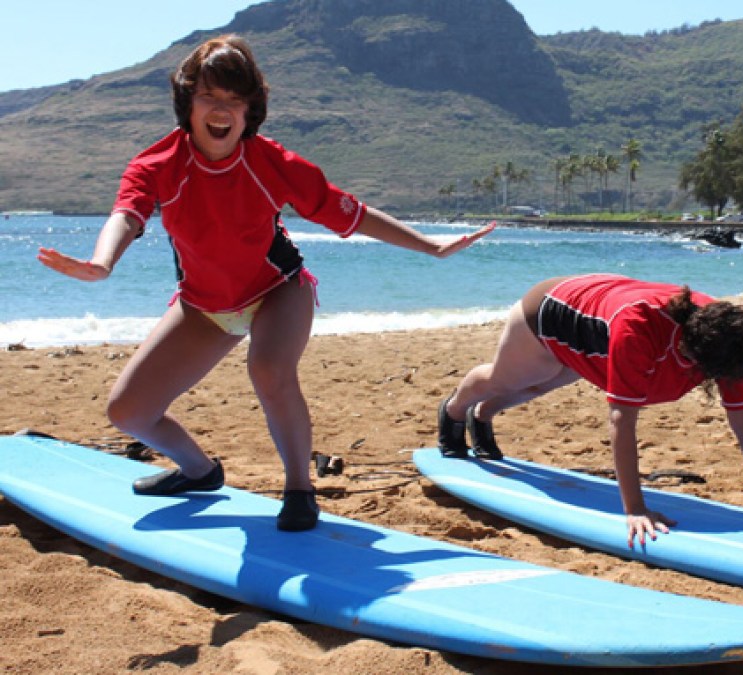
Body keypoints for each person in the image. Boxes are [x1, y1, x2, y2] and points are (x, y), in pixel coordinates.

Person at [36, 35, 493, 532]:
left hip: (278, 288)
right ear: (188, 103)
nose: (221, 110)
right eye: (210, 96)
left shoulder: (270, 162)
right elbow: (128, 213)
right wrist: (103, 263)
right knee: (128, 412)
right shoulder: (158, 165)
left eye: (235, 100)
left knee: (270, 371)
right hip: (204, 305)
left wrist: (431, 246)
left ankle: (299, 488)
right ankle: (199, 471)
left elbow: (351, 213)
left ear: (250, 110)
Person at [438, 273, 743, 547]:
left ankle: (482, 416)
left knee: (543, 383)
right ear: (696, 357)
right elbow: (621, 422)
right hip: (551, 311)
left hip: (598, 316)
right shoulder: (639, 331)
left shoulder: (730, 339)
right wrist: (634, 508)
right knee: (512, 380)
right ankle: (455, 410)